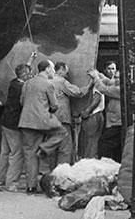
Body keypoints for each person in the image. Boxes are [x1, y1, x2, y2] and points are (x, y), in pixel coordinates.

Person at [19, 58, 92, 196]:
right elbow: (54, 105)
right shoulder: (51, 83)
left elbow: (22, 101)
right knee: (65, 148)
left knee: (30, 155)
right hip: (48, 122)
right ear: (47, 69)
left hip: (26, 122)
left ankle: (31, 187)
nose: (53, 71)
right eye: (51, 69)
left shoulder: (27, 83)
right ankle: (60, 182)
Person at [0, 55, 37, 192]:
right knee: (17, 153)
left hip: (5, 122)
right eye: (29, 74)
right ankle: (11, 183)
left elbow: (24, 72)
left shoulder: (14, 82)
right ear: (24, 75)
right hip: (14, 125)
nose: (31, 76)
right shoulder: (22, 88)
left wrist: (30, 61)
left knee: (5, 152)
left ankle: (0, 179)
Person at [92, 62, 125, 161]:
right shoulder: (117, 84)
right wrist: (98, 74)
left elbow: (103, 89)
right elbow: (109, 81)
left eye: (118, 78)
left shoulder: (120, 89)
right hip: (113, 122)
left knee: (104, 144)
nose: (116, 79)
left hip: (117, 124)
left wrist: (95, 76)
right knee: (115, 148)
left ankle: (105, 163)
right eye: (116, 77)